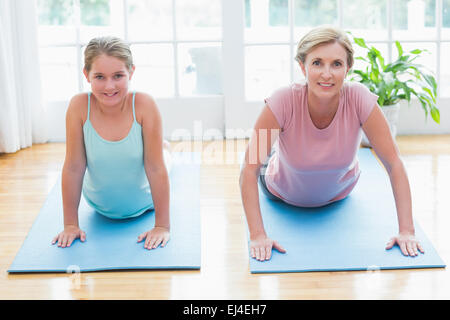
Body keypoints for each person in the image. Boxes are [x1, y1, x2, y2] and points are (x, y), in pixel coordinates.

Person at [239, 26, 424, 261]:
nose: (327, 74)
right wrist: (257, 235)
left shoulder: (359, 98)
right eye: (317, 63)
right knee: (254, 158)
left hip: (339, 191)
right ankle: (277, 150)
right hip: (280, 190)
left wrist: (407, 231)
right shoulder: (281, 100)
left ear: (347, 68)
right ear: (302, 66)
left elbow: (394, 162)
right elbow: (249, 169)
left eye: (336, 64)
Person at [52, 36, 171, 250]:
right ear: (86, 74)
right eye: (99, 76)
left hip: (144, 203)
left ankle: (164, 147)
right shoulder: (79, 106)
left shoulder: (144, 104)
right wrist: (70, 224)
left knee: (163, 159)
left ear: (131, 72)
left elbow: (155, 168)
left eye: (118, 76)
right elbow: (73, 167)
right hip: (100, 205)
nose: (109, 86)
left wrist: (162, 226)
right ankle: (162, 145)